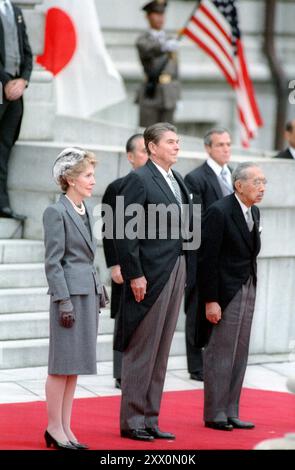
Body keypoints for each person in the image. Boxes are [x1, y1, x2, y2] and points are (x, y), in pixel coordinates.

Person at [115, 122, 192, 441]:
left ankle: (150, 417)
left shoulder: (178, 181)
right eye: (171, 142)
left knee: (161, 350)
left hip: (176, 268)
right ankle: (132, 419)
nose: (177, 146)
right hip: (149, 274)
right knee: (143, 347)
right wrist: (134, 274)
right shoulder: (139, 179)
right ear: (152, 147)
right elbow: (124, 230)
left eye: (178, 141)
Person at [43, 148, 108, 450]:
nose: (93, 180)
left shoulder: (85, 207)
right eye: (88, 175)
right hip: (68, 297)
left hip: (87, 293)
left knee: (74, 365)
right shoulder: (56, 212)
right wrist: (63, 300)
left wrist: (99, 285)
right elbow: (53, 263)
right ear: (70, 179)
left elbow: (86, 256)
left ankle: (65, 426)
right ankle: (53, 427)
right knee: (60, 366)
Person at [200, 162, 266, 431]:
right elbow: (206, 259)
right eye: (256, 182)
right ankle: (215, 413)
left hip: (247, 285)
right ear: (239, 185)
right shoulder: (219, 211)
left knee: (239, 352)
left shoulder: (255, 212)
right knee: (221, 353)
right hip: (225, 292)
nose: (261, 188)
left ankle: (231, 409)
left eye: (264, 182)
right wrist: (210, 299)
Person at [184, 128, 233, 382]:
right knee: (195, 309)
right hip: (201, 253)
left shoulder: (235, 175)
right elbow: (196, 220)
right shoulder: (195, 178)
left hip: (228, 256)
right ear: (208, 148)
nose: (226, 148)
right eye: (220, 145)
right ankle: (196, 365)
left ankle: (215, 359)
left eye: (228, 144)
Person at [101, 134, 148, 389]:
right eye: (142, 151)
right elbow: (109, 228)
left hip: (151, 263)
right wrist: (115, 264)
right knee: (124, 320)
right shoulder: (117, 187)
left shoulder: (161, 184)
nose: (147, 156)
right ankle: (121, 371)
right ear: (130, 157)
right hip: (125, 264)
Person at [0, 0, 32, 219]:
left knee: (4, 147)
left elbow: (27, 53)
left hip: (16, 92)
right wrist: (6, 81)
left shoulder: (16, 11)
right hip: (3, 85)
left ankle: (2, 203)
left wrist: (23, 81)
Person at [136, 0, 180, 127]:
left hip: (169, 93)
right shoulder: (143, 39)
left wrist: (179, 95)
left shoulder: (170, 40)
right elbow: (147, 48)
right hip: (151, 91)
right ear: (148, 16)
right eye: (156, 14)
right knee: (148, 132)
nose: (160, 18)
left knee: (167, 134)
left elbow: (176, 71)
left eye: (162, 14)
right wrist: (164, 46)